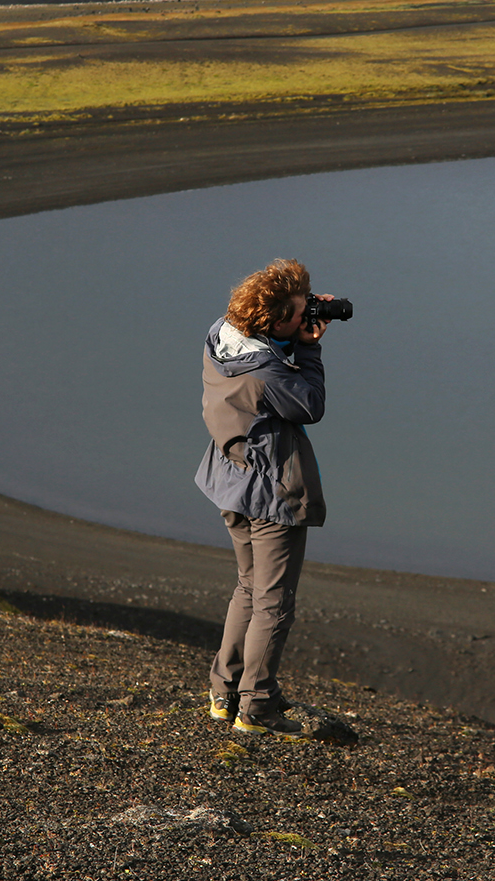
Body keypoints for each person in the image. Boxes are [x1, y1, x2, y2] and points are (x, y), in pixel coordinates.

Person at [195, 258, 332, 737]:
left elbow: (267, 358)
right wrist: (310, 350)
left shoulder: (221, 336)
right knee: (273, 601)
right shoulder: (268, 372)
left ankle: (223, 692)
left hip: (229, 482)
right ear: (273, 322)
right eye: (298, 313)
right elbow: (309, 405)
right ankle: (256, 708)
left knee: (248, 588)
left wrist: (291, 332)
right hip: (271, 493)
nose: (306, 319)